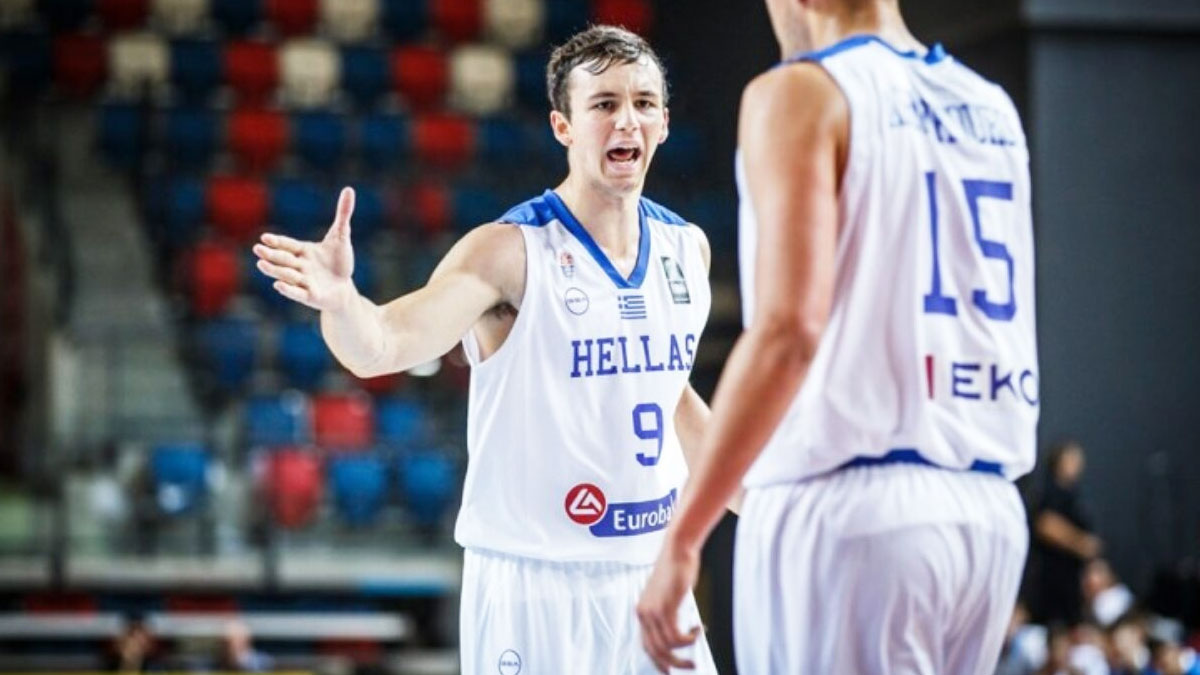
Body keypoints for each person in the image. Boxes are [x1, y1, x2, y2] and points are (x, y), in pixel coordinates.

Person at [253, 25, 718, 674]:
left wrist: (772, 499)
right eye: (604, 104)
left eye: (643, 103)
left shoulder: (687, 249)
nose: (626, 121)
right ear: (563, 126)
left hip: (652, 572)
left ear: (664, 123)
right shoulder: (507, 252)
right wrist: (342, 301)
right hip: (533, 583)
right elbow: (382, 345)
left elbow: (672, 398)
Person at [636, 0, 1038, 672]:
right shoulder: (990, 106)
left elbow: (789, 332)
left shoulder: (802, 91)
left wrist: (683, 536)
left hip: (854, 506)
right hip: (988, 511)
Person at [1032, 440, 1102, 626]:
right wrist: (1080, 543)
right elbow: (1046, 524)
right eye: (1071, 458)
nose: (1077, 463)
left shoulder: (1075, 493)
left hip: (1073, 578)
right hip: (1051, 578)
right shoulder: (1050, 490)